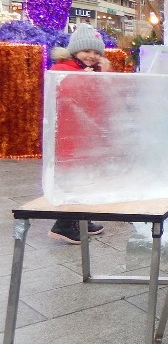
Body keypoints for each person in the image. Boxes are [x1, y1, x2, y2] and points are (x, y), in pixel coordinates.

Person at [46, 23, 111, 244]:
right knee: (73, 180)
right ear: (74, 51)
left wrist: (102, 72)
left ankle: (82, 219)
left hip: (86, 134)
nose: (91, 56)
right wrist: (82, 79)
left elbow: (103, 97)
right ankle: (63, 224)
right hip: (69, 136)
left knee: (87, 178)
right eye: (86, 51)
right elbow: (62, 95)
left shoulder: (92, 70)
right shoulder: (62, 69)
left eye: (96, 52)